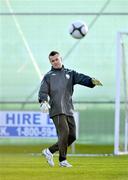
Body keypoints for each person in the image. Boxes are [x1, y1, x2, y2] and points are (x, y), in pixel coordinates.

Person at [38, 51, 102, 168]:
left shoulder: (70, 73)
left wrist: (90, 81)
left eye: (56, 59)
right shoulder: (48, 76)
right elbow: (43, 90)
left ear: (61, 59)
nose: (55, 62)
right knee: (64, 133)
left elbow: (81, 78)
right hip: (56, 109)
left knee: (72, 136)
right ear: (50, 62)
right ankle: (63, 160)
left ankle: (49, 151)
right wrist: (43, 101)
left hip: (68, 109)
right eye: (52, 61)